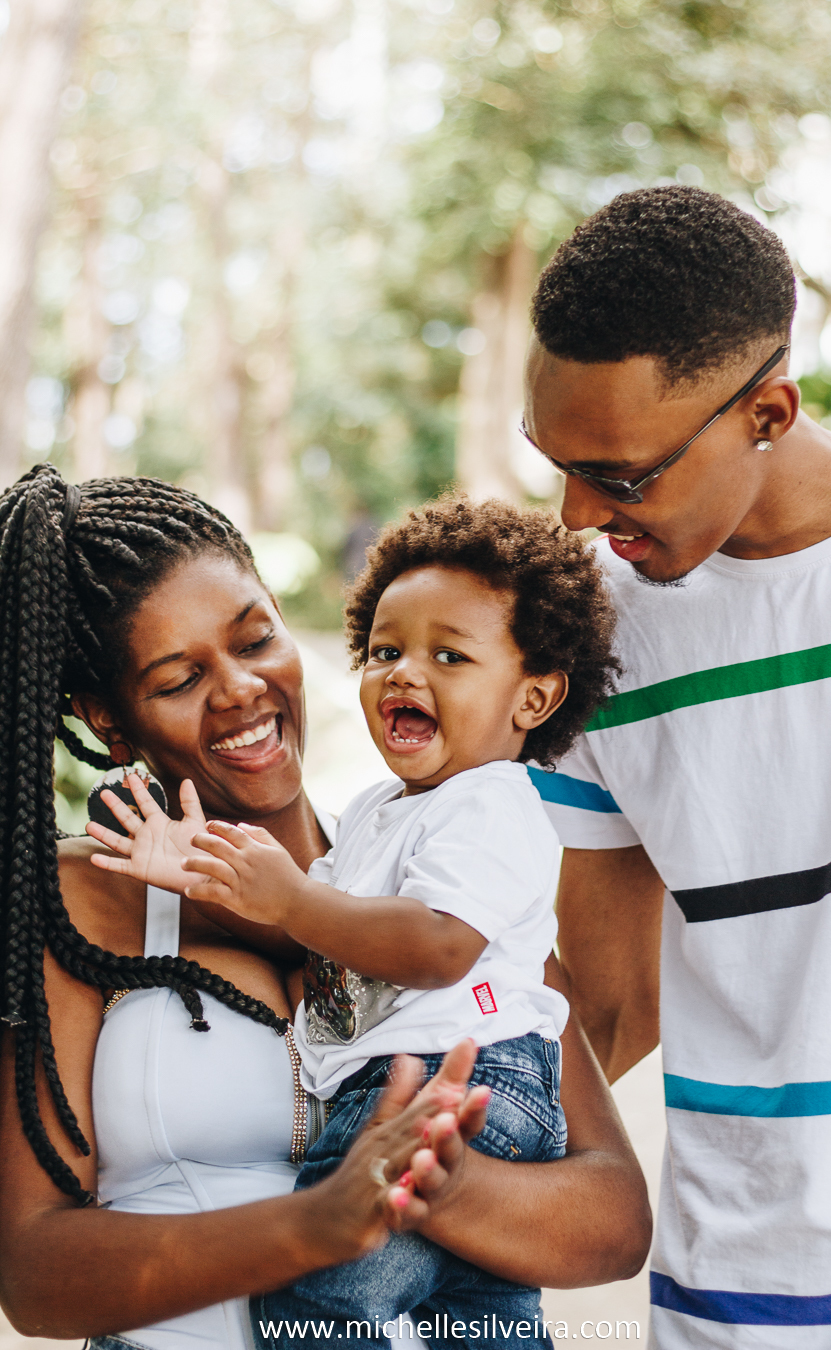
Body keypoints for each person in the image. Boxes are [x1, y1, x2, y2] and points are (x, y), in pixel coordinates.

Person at [0, 464, 651, 1349]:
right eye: (178, 678)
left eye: (255, 638)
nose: (240, 689)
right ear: (108, 720)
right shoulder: (82, 900)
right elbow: (34, 1280)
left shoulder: (442, 873)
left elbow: (613, 1222)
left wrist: (438, 1184)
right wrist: (315, 1224)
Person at [522, 183, 831, 1347]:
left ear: (769, 413)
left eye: (620, 474)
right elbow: (610, 1001)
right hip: (745, 1297)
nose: (576, 513)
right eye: (556, 461)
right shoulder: (591, 641)